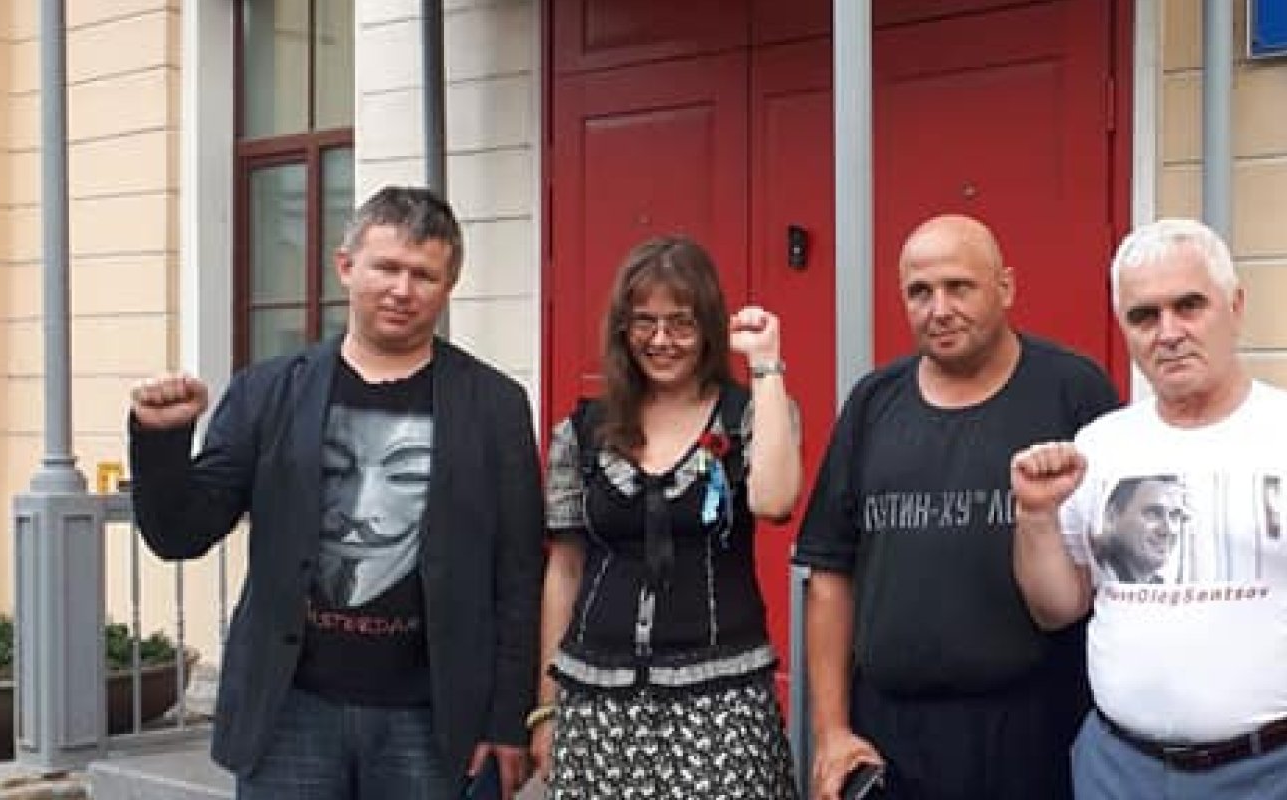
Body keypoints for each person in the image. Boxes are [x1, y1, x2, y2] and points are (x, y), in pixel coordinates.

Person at [127, 186, 543, 799]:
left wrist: (508, 718)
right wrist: (161, 442)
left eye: (424, 275)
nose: (402, 289)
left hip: (432, 719)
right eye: (386, 267)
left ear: (449, 285)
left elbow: (519, 573)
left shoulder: (494, 405)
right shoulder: (269, 391)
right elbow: (179, 533)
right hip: (290, 710)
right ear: (345, 267)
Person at [1012, 218, 1287, 800]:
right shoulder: (1099, 447)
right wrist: (1035, 517)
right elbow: (1056, 608)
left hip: (1278, 772)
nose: (1168, 332)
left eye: (1189, 306)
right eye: (1144, 316)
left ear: (1236, 306)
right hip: (1119, 771)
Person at [794, 214, 1121, 800]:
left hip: (1036, 733)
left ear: (1005, 287)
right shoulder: (872, 402)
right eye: (919, 292)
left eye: (958, 287)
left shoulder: (1073, 391)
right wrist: (832, 731)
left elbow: (1117, 567)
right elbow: (829, 575)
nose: (938, 309)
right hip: (890, 738)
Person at [530, 236, 803, 800]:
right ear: (622, 329)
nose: (661, 340)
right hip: (595, 704)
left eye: (681, 323)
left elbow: (775, 501)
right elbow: (565, 570)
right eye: (644, 322)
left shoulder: (752, 414)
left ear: (709, 327)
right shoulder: (583, 431)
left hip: (722, 702)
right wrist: (546, 708)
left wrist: (766, 365)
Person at [1090, 475, 1188, 584]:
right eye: (1153, 514)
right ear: (1112, 516)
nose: (1168, 530)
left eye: (1174, 515)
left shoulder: (1160, 587)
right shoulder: (1088, 583)